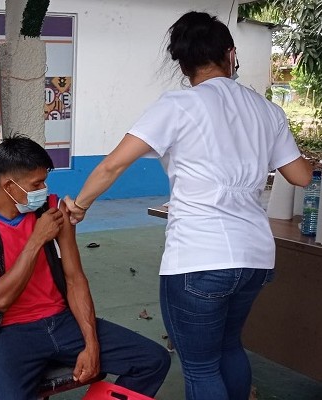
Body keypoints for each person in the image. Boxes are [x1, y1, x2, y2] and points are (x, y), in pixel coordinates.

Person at [64, 12, 313, 400]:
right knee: (230, 347)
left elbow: (115, 162)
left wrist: (79, 205)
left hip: (198, 257)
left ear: (181, 63)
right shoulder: (267, 110)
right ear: (231, 54)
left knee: (200, 367)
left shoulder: (178, 105)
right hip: (255, 258)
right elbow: (300, 176)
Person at [0, 137, 170, 400]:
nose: (44, 189)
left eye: (45, 181)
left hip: (63, 322)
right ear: (8, 186)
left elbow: (75, 278)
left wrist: (91, 344)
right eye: (36, 184)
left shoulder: (52, 210)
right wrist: (36, 239)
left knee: (153, 361)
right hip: (10, 333)